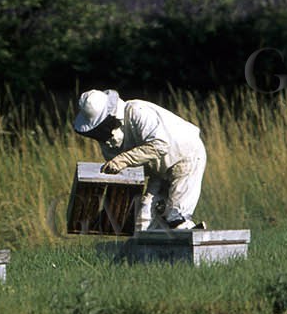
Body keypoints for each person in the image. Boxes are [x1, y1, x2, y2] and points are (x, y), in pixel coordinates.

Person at [72, 88, 207, 232]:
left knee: (175, 218)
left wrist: (124, 159)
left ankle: (197, 243)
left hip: (186, 156)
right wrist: (112, 210)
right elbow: (126, 176)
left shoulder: (137, 111)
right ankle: (150, 253)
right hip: (159, 171)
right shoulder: (108, 144)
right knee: (142, 222)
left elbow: (160, 145)